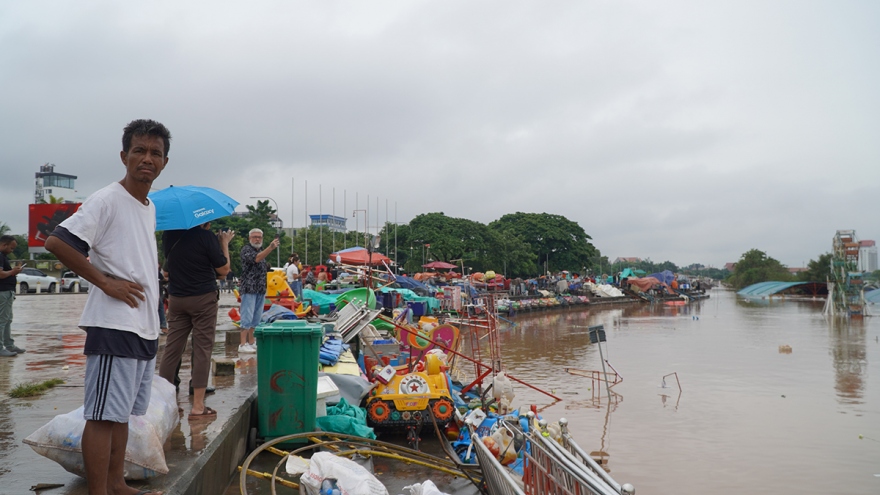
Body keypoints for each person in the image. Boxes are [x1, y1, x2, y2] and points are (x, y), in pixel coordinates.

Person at [45, 118, 170, 495]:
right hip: (114, 325)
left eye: (155, 153)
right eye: (139, 151)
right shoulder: (107, 199)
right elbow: (58, 242)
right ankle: (99, 490)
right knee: (101, 416)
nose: (147, 159)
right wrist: (105, 282)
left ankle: (116, 483)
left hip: (142, 325)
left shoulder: (146, 206)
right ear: (124, 156)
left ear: (164, 162)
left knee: (121, 416)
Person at [158, 222, 234, 419]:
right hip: (203, 299)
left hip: (176, 299)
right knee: (202, 348)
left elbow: (167, 271)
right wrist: (224, 243)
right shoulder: (205, 237)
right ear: (204, 221)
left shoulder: (169, 235)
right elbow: (224, 269)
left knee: (172, 348)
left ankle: (165, 403)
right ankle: (198, 406)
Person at [238, 228, 278, 353]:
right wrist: (270, 248)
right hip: (249, 288)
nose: (257, 239)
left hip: (260, 288)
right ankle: (242, 344)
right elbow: (256, 259)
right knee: (247, 315)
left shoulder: (261, 251)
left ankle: (251, 342)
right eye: (255, 237)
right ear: (250, 238)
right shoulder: (246, 250)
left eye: (259, 237)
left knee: (256, 317)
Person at [0, 235, 25, 357]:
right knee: (2, 320)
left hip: (7, 292)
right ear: (4, 245)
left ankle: (9, 345)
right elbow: (0, 274)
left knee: (7, 319)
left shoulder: (3, 256)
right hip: (3, 292)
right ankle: (1, 347)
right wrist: (13, 272)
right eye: (11, 248)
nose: (12, 251)